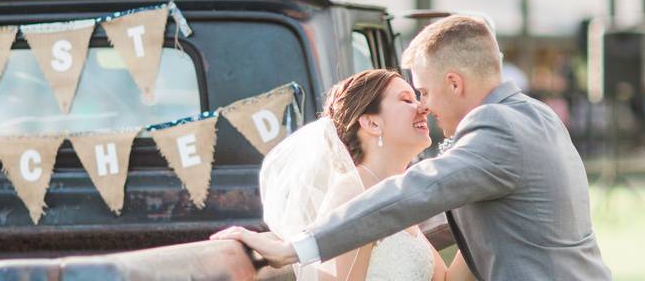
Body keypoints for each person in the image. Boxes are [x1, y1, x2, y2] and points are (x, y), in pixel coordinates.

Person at [212, 15, 611, 281]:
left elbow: (419, 190)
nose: (426, 106)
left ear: (455, 83)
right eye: (411, 98)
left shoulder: (497, 126)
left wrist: (293, 249)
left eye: (423, 91)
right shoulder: (536, 115)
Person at [224, 68, 471, 280]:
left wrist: (483, 212)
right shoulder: (353, 192)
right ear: (372, 123)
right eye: (407, 100)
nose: (423, 108)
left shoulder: (394, 193)